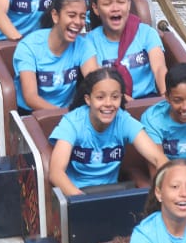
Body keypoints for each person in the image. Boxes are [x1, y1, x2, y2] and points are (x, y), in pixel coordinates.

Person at [48, 66, 165, 196]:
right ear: (88, 99)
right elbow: (56, 173)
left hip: (113, 193)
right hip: (76, 194)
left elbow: (158, 158)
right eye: (100, 97)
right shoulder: (72, 122)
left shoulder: (123, 120)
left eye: (115, 97)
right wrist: (82, 201)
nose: (108, 103)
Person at [81, 0, 167, 100]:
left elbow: (159, 68)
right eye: (107, 3)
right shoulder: (89, 42)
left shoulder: (146, 32)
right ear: (95, 8)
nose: (115, 8)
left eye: (121, 2)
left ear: (128, 5)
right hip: (110, 103)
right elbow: (97, 80)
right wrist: (125, 101)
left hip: (148, 101)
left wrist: (166, 95)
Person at [12, 0, 86, 111]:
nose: (78, 22)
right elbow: (31, 98)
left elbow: (95, 80)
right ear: (55, 16)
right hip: (32, 114)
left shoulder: (83, 44)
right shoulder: (28, 47)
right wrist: (63, 116)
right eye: (72, 15)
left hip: (68, 112)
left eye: (82, 17)